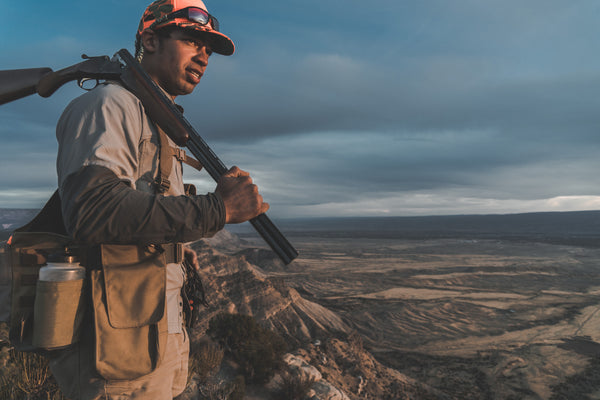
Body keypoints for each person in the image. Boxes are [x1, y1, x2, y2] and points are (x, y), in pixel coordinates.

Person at [47, 0, 268, 398]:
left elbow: (139, 212)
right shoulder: (109, 105)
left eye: (209, 49)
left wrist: (175, 246)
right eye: (191, 40)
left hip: (148, 341)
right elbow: (92, 210)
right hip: (114, 359)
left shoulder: (159, 121)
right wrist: (219, 209)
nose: (204, 56)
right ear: (149, 39)